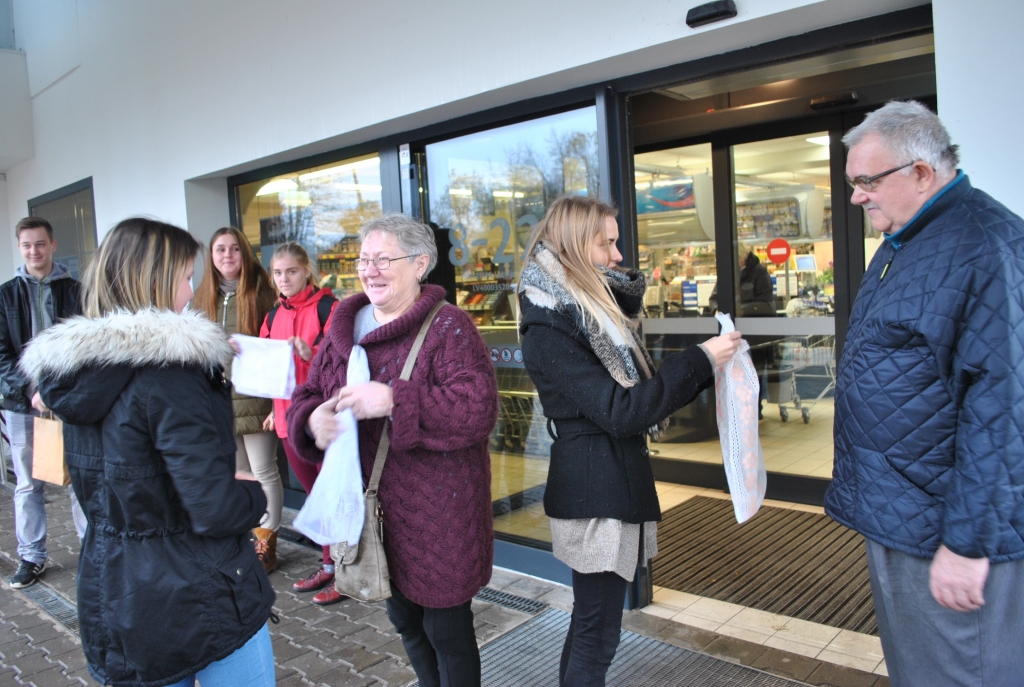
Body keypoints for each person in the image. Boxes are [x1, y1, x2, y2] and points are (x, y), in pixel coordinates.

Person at [20, 218, 276, 687]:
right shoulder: (171, 375)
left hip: (114, 589)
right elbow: (213, 508)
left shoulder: (74, 372)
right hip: (201, 589)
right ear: (153, 283)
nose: (190, 288)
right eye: (184, 276)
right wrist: (253, 496)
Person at [826, 100, 1024, 686]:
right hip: (906, 514)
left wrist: (967, 543)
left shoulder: (984, 246)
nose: (857, 196)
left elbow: (1004, 409)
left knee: (967, 672)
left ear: (921, 172)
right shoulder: (905, 242)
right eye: (852, 183)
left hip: (949, 527)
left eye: (867, 181)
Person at [517, 195, 742, 686]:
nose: (619, 256)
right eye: (608, 243)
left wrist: (708, 366)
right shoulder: (549, 321)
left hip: (608, 482)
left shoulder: (590, 311)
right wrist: (700, 361)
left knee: (593, 626)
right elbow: (623, 411)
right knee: (597, 633)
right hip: (594, 490)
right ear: (577, 246)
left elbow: (634, 400)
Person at [287, 214, 497, 687]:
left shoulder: (450, 328)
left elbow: (477, 409)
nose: (370, 269)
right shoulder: (346, 329)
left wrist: (393, 399)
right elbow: (308, 394)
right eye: (365, 259)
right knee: (405, 622)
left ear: (420, 264)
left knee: (448, 630)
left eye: (384, 259)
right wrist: (311, 418)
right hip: (375, 513)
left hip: (439, 518)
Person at [0, 217, 88, 588]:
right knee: (27, 483)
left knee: (79, 477)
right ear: (19, 248)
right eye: (26, 245)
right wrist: (29, 391)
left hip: (68, 401)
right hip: (22, 404)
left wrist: (60, 392)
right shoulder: (5, 295)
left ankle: (90, 550)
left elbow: (87, 346)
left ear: (53, 246)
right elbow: (1, 354)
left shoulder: (76, 290)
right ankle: (31, 556)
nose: (34, 251)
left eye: (40, 244)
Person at [194, 227, 282, 572]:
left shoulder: (262, 293)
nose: (227, 256)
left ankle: (267, 542)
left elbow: (275, 348)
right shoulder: (202, 298)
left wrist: (277, 403)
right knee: (239, 471)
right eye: (220, 250)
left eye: (234, 249)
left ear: (244, 254)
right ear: (211, 257)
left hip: (255, 397)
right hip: (218, 399)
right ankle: (249, 537)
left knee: (263, 471)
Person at [258, 242, 340, 603]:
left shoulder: (328, 307)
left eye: (291, 271)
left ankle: (348, 570)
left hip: (321, 420)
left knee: (334, 495)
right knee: (314, 496)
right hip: (287, 422)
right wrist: (273, 408)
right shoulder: (273, 315)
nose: (284, 278)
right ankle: (330, 566)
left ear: (306, 270)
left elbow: (345, 356)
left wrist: (314, 353)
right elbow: (267, 366)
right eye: (278, 273)